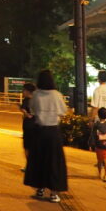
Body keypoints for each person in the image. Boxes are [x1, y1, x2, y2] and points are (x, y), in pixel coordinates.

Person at [23, 69, 68, 202]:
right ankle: (54, 193)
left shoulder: (36, 95)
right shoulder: (57, 95)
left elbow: (33, 110)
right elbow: (63, 112)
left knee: (39, 161)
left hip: (39, 131)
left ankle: (40, 189)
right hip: (53, 131)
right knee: (54, 162)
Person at [88, 106, 106, 182]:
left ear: (98, 115)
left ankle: (100, 174)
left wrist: (90, 144)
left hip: (99, 145)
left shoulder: (96, 125)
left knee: (99, 160)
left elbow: (92, 135)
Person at [20, 81, 36, 165]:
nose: (22, 92)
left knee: (27, 147)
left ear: (28, 91)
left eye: (24, 90)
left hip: (28, 126)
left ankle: (29, 165)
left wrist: (26, 114)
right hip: (36, 126)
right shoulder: (37, 100)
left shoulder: (26, 100)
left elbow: (23, 109)